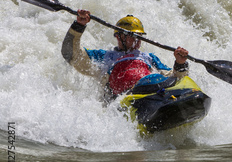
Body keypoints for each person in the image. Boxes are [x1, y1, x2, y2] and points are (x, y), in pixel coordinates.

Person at [61, 9, 189, 102]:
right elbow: (70, 54)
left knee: (158, 80)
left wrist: (180, 63)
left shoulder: (149, 58)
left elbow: (175, 78)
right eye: (132, 36)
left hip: (150, 95)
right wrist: (79, 25)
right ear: (119, 36)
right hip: (121, 100)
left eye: (139, 37)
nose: (137, 40)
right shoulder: (104, 57)